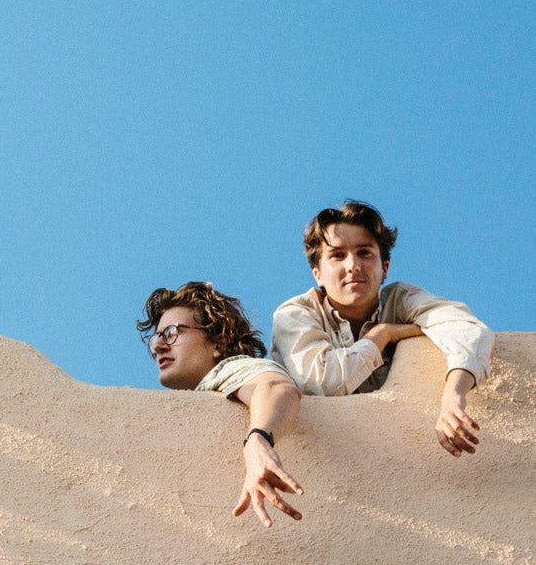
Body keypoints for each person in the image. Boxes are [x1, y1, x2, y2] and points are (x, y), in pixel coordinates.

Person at [271, 200, 493, 458]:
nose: (353, 265)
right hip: (316, 462)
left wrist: (453, 396)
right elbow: (323, 382)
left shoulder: (402, 299)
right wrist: (382, 334)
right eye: (337, 255)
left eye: (364, 252)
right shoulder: (295, 314)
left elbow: (467, 330)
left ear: (384, 267)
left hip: (404, 456)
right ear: (318, 274)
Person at [138, 281, 304, 528]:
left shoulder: (230, 368)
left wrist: (258, 442)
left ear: (220, 344)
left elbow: (274, 387)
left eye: (172, 333)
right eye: (157, 339)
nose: (160, 346)